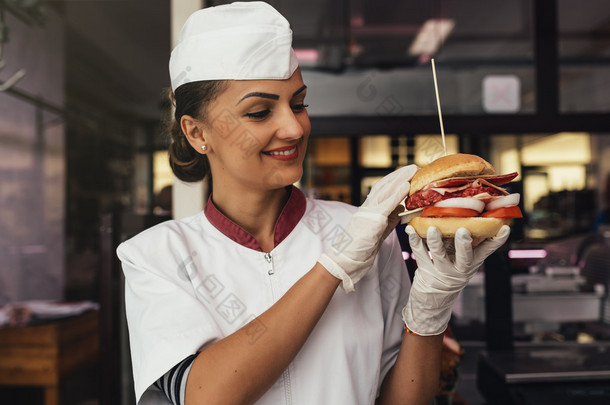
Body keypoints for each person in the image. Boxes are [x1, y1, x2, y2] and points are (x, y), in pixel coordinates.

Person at [116, 2, 510, 405]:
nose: (293, 127)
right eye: (259, 111)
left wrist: (430, 310)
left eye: (299, 103)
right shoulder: (156, 257)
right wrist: (334, 267)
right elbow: (207, 396)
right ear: (197, 132)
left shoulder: (371, 234)